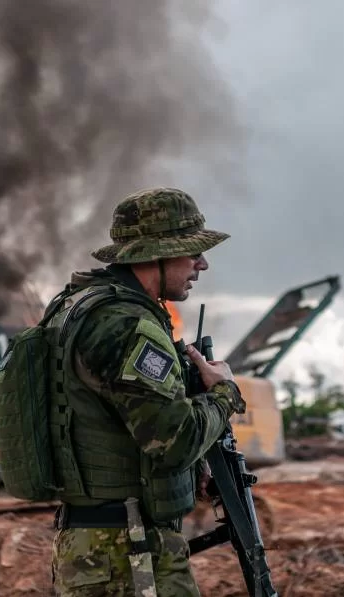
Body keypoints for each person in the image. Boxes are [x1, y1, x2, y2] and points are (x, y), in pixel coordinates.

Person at [46, 187, 246, 596]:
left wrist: (193, 475)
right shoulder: (125, 325)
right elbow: (172, 440)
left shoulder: (80, 308)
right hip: (128, 552)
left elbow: (113, 425)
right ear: (155, 253)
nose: (202, 264)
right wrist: (225, 394)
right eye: (192, 252)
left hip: (105, 547)